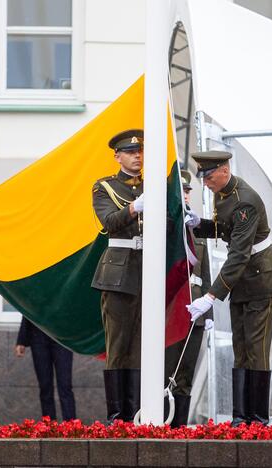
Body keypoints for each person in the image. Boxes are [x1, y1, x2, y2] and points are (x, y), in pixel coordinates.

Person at [185, 151, 272, 426]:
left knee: (256, 348)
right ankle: (241, 417)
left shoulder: (245, 202)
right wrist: (200, 225)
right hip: (243, 278)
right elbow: (225, 229)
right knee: (241, 346)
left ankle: (258, 418)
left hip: (260, 279)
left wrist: (210, 295)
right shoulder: (224, 193)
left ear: (224, 170)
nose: (204, 182)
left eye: (208, 176)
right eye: (202, 176)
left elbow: (239, 254)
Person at [91, 129, 144, 423]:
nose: (137, 156)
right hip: (119, 273)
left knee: (140, 346)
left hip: (146, 271)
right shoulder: (104, 187)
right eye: (131, 152)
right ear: (118, 156)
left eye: (140, 152)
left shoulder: (153, 186)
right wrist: (134, 207)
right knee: (119, 346)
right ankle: (117, 416)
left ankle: (137, 413)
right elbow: (110, 222)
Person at [164, 170, 211, 427]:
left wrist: (209, 314)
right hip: (172, 309)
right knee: (166, 372)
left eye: (187, 190)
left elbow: (205, 275)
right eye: (181, 190)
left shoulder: (196, 226)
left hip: (196, 311)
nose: (186, 194)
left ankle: (179, 428)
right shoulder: (166, 225)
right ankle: (162, 426)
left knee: (186, 374)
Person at [15, 317, 76, 421]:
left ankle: (71, 427)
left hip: (62, 338)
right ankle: (49, 428)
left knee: (65, 386)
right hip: (38, 337)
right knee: (45, 387)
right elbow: (28, 309)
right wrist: (21, 340)